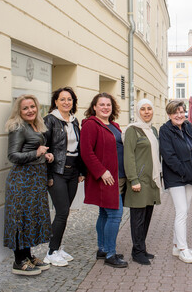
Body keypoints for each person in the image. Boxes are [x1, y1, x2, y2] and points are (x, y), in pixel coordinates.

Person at [3, 94, 53, 276]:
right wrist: (36, 152)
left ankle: (28, 255)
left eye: (32, 106)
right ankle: (19, 260)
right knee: (20, 219)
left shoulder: (35, 125)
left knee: (30, 218)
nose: (30, 110)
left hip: (35, 180)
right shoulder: (18, 127)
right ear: (19, 111)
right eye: (25, 108)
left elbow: (34, 150)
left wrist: (44, 155)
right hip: (22, 180)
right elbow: (13, 156)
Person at [80, 92, 127, 268]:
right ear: (94, 107)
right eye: (102, 105)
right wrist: (101, 171)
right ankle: (110, 253)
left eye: (108, 105)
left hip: (117, 176)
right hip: (106, 178)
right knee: (115, 214)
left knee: (104, 214)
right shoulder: (91, 125)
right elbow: (86, 152)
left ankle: (102, 248)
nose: (105, 107)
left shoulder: (113, 125)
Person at [43, 87, 86, 267]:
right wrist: (48, 175)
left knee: (64, 212)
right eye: (63, 99)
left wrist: (81, 171)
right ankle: (51, 252)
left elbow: (80, 147)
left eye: (69, 99)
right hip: (57, 171)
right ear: (56, 101)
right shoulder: (50, 120)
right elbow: (44, 148)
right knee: (62, 212)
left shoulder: (75, 122)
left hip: (72, 171)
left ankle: (58, 247)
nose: (66, 102)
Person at [159, 101, 192, 263]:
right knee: (181, 211)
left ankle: (177, 246)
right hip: (176, 177)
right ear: (169, 114)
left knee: (184, 210)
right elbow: (169, 156)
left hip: (190, 176)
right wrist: (188, 172)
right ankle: (183, 249)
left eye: (181, 112)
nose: (179, 115)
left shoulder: (188, 126)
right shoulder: (165, 130)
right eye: (175, 112)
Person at [123, 99, 161, 265]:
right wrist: (133, 179)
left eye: (149, 109)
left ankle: (141, 248)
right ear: (138, 112)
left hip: (151, 180)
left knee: (146, 216)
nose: (147, 112)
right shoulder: (133, 130)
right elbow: (129, 156)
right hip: (138, 180)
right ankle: (137, 252)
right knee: (137, 218)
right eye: (143, 109)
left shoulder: (152, 129)